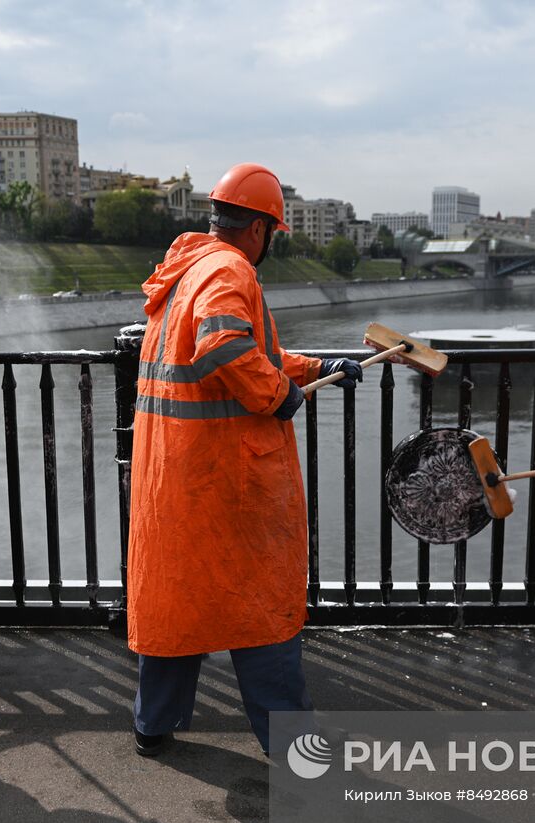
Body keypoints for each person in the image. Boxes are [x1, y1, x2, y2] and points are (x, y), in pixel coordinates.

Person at [126, 162, 363, 756]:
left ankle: (152, 726)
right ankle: (297, 751)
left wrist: (317, 369)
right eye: (273, 234)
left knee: (178, 603)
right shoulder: (231, 269)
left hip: (175, 479)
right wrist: (278, 396)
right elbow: (225, 345)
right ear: (259, 229)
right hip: (225, 482)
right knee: (258, 609)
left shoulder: (185, 272)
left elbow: (250, 352)